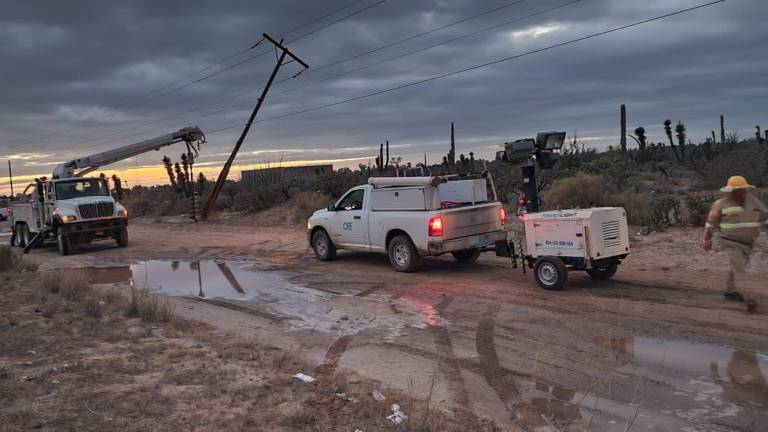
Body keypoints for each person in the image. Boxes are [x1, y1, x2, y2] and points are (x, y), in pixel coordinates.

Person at [701, 176, 767, 312]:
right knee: (740, 268)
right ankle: (750, 299)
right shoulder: (720, 204)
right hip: (729, 242)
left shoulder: (753, 201)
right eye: (737, 190)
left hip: (748, 243)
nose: (740, 192)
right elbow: (710, 224)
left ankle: (730, 291)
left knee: (737, 266)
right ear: (730, 191)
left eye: (742, 190)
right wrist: (707, 239)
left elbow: (765, 215)